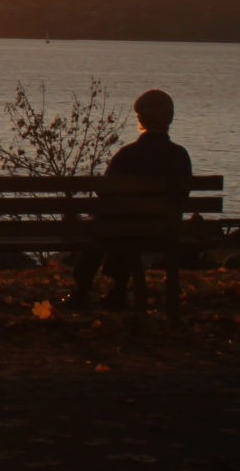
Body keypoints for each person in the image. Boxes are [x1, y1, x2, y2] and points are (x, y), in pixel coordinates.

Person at [63, 87, 192, 311]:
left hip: (121, 227)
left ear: (140, 118)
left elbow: (104, 193)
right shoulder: (180, 156)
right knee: (121, 226)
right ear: (170, 118)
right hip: (163, 229)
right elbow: (183, 196)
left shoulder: (128, 154)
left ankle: (83, 290)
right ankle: (117, 291)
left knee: (108, 226)